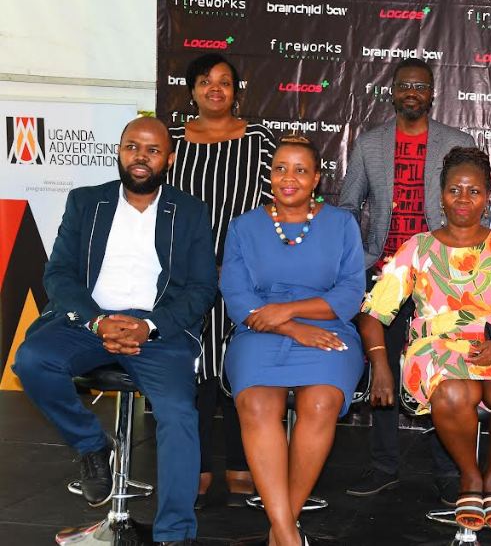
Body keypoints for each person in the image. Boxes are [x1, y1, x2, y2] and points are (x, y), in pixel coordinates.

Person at [12, 117, 216, 546]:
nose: (141, 157)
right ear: (120, 152)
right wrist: (98, 321)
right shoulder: (86, 202)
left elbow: (201, 289)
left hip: (157, 332)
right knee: (31, 361)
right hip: (88, 321)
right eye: (132, 147)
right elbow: (59, 275)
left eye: (153, 150)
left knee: (179, 416)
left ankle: (174, 535)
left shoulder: (191, 212)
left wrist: (149, 326)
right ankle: (91, 444)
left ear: (169, 158)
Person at [359, 147, 491, 532]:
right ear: (441, 194)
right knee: (453, 393)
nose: (464, 199)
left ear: (488, 197)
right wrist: (380, 364)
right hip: (439, 349)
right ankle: (470, 478)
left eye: (474, 191)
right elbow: (372, 314)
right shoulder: (418, 248)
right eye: (455, 190)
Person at [219, 136, 366, 546]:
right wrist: (290, 325)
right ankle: (286, 533)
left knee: (320, 403)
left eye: (301, 170)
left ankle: (283, 524)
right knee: (257, 403)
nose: (289, 178)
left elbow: (351, 293)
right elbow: (237, 294)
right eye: (281, 168)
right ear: (270, 175)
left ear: (317, 178)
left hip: (329, 328)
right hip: (258, 330)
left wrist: (288, 311)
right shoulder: (244, 226)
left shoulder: (340, 224)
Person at [339, 58, 474, 504]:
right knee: (384, 369)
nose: (412, 92)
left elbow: (475, 210)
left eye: (421, 85)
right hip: (387, 277)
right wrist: (361, 262)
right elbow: (347, 209)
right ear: (392, 91)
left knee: (443, 373)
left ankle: (446, 468)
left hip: (442, 279)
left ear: (432, 93)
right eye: (404, 85)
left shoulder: (457, 143)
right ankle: (383, 464)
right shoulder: (370, 144)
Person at [168, 52, 276, 508]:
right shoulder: (170, 139)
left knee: (238, 367)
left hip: (242, 273)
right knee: (191, 373)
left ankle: (239, 462)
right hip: (179, 273)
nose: (215, 88)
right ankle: (194, 466)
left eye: (225, 81)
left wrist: (237, 264)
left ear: (237, 91)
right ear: (191, 89)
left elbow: (274, 206)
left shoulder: (259, 140)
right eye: (206, 81)